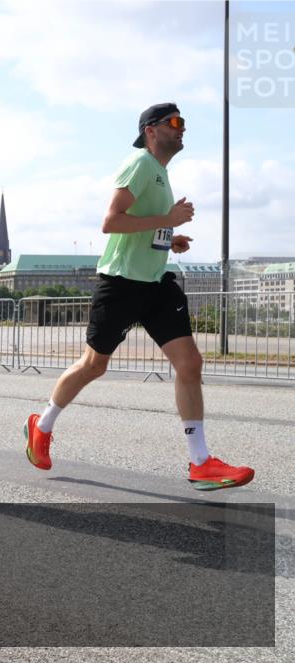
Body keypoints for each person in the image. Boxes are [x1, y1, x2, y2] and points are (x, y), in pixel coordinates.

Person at [23, 103, 254, 491]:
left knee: (190, 364)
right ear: (151, 130)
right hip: (121, 283)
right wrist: (168, 220)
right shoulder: (141, 164)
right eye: (175, 123)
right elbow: (111, 221)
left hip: (156, 283)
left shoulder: (161, 173)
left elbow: (142, 227)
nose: (183, 129)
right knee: (94, 366)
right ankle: (41, 426)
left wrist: (169, 239)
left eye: (184, 123)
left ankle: (200, 463)